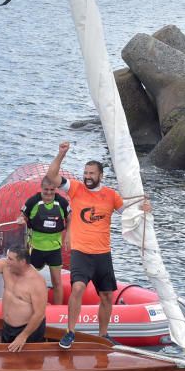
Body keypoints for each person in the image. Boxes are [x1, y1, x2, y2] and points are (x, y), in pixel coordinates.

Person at [45, 142, 149, 349]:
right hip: (81, 252)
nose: (87, 176)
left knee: (107, 296)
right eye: (85, 172)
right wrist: (61, 154)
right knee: (77, 288)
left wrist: (143, 208)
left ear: (100, 175)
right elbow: (51, 176)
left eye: (91, 173)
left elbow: (129, 213)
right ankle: (70, 332)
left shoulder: (111, 196)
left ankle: (103, 334)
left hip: (102, 254)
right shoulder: (75, 188)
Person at [18, 178, 70, 305]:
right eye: (46, 190)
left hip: (54, 249)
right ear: (41, 188)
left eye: (52, 190)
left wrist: (68, 235)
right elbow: (22, 216)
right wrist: (20, 220)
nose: (49, 193)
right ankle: (28, 303)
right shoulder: (33, 201)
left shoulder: (61, 202)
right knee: (28, 279)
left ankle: (57, 311)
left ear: (56, 190)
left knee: (57, 282)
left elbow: (69, 219)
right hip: (35, 247)